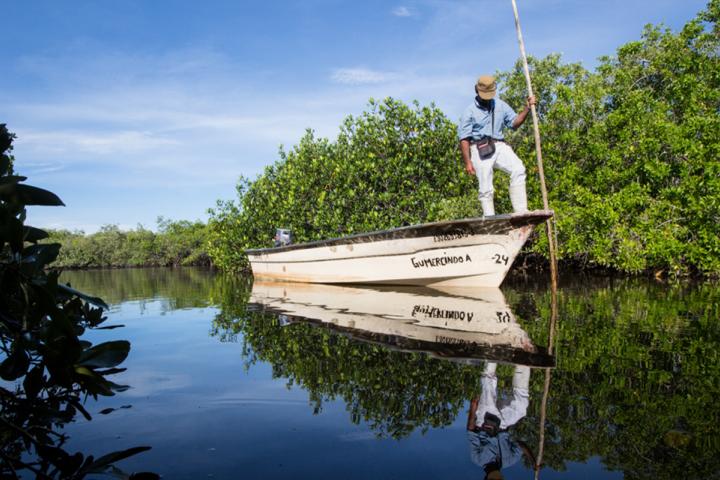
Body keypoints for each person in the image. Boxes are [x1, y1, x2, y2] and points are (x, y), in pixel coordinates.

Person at [458, 75, 536, 216]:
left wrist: (527, 108)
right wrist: (468, 162)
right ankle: (490, 219)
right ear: (477, 91)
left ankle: (521, 211)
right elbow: (464, 139)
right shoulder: (469, 112)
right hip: (479, 147)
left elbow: (514, 123)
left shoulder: (500, 105)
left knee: (518, 168)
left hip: (499, 145)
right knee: (486, 187)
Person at [466, 362, 536, 479]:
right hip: (503, 424)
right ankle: (523, 364)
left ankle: (492, 357)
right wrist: (532, 460)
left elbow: (471, 431)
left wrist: (473, 408)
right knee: (521, 408)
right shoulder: (509, 460)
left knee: (488, 387)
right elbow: (521, 445)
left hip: (485, 421)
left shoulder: (477, 459)